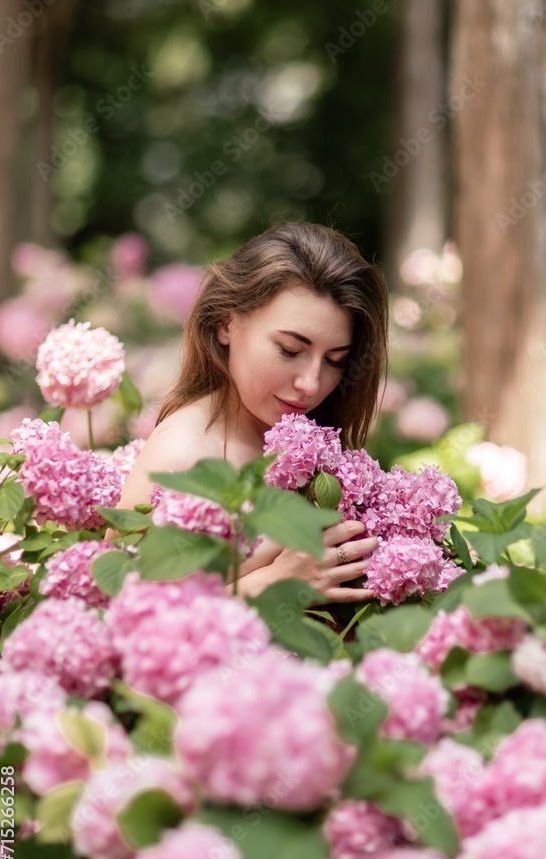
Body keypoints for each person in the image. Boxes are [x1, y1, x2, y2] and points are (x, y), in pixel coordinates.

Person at [118, 221, 389, 602]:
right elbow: (119, 616)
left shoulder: (311, 440)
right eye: (290, 351)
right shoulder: (180, 457)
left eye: (335, 360)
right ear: (227, 322)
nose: (311, 384)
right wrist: (268, 585)